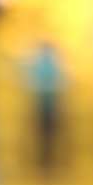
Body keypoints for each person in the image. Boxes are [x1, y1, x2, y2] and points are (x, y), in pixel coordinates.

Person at [27, 41, 65, 176]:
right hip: (45, 106)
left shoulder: (46, 62)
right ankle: (46, 165)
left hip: (47, 106)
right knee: (45, 138)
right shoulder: (51, 62)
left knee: (47, 138)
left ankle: (48, 165)